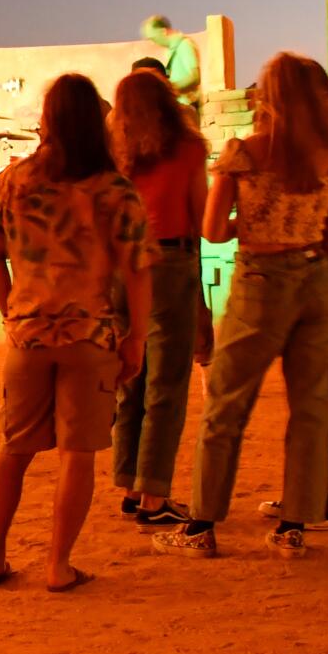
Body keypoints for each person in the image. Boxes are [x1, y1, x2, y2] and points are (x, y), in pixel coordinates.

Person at [153, 53, 328, 560]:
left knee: (226, 405)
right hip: (313, 282)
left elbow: (213, 228)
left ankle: (201, 525)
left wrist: (257, 223)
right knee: (311, 407)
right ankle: (293, 527)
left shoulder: (244, 152)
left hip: (260, 282)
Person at [0, 74, 152, 593]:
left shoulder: (10, 181)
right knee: (78, 453)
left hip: (27, 336)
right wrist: (136, 336)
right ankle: (58, 565)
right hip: (89, 335)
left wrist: (12, 310)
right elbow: (139, 269)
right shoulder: (114, 189)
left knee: (14, 448)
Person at [252, 59, 328, 533]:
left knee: (322, 384)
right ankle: (318, 491)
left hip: (321, 260)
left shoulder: (313, 139)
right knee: (318, 381)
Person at [107, 69, 210, 528]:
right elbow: (201, 217)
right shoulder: (188, 148)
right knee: (167, 382)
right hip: (170, 261)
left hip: (121, 264)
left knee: (132, 377)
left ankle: (129, 484)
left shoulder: (114, 154)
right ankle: (154, 494)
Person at [142, 16, 203, 109]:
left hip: (188, 108)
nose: (152, 43)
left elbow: (195, 77)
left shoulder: (184, 45)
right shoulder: (171, 50)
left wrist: (167, 89)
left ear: (163, 31)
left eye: (153, 38)